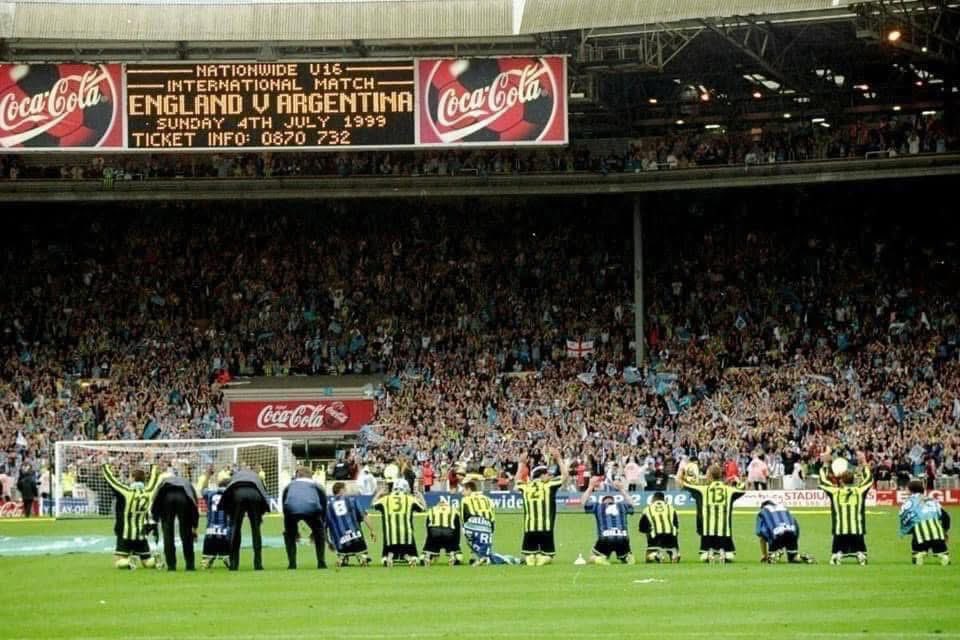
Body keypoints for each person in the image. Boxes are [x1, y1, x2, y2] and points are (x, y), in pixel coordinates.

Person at [681, 463, 745, 563]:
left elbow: (684, 485)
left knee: (703, 557)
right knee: (730, 556)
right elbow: (742, 488)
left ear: (710, 476)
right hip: (725, 532)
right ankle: (723, 551)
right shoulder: (729, 490)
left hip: (707, 532)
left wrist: (682, 474)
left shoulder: (703, 489)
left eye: (707, 474)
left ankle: (710, 552)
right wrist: (737, 480)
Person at [102, 462, 160, 569]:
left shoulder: (126, 492)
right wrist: (154, 466)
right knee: (146, 561)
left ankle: (128, 562)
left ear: (133, 478)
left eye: (129, 477)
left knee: (118, 560)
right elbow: (154, 480)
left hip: (125, 533)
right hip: (141, 533)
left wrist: (105, 466)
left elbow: (112, 481)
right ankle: (155, 561)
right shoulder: (148, 492)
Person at [819, 450, 872, 565]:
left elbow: (823, 481)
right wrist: (863, 462)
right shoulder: (859, 491)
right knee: (860, 547)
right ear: (854, 480)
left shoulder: (835, 492)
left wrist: (826, 463)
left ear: (841, 481)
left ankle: (837, 555)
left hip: (839, 530)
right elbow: (869, 479)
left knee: (836, 550)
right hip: (857, 530)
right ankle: (860, 554)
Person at [517, 447, 568, 566]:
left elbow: (517, 481)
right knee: (546, 556)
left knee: (529, 555)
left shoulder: (526, 486)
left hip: (530, 528)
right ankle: (541, 558)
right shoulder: (549, 485)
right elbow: (565, 476)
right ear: (541, 475)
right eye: (547, 473)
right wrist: (559, 458)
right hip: (546, 527)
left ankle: (531, 558)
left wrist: (521, 463)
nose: (550, 476)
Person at [221, 466, 271, 571]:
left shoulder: (235, 476)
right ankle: (258, 564)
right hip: (255, 494)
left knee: (236, 529)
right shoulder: (256, 476)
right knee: (256, 530)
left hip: (238, 494)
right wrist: (260, 516)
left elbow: (227, 490)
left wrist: (230, 514)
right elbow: (263, 493)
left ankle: (234, 564)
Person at [460, 481, 520, 565]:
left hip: (473, 524)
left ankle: (483, 557)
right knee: (484, 547)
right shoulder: (488, 499)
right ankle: (483, 557)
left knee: (471, 541)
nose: (462, 493)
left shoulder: (465, 500)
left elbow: (464, 517)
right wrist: (491, 530)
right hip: (487, 526)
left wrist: (465, 529)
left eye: (463, 490)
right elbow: (492, 515)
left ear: (469, 489)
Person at [151, 473, 200, 571]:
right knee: (186, 532)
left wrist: (155, 519)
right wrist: (194, 526)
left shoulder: (163, 483)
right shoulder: (186, 482)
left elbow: (155, 500)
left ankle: (171, 566)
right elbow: (194, 502)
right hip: (184, 496)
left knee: (167, 533)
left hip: (166, 498)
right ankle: (190, 565)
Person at [580, 477, 636, 564]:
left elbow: (583, 503)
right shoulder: (622, 506)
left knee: (592, 556)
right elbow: (632, 504)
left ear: (603, 501)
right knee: (625, 555)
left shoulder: (598, 506)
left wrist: (590, 486)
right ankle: (627, 557)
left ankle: (599, 559)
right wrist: (622, 489)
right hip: (622, 537)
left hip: (605, 538)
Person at [281, 466, 327, 570]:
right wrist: (319, 528)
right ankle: (321, 562)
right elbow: (324, 506)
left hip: (291, 509)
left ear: (298, 475)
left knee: (289, 535)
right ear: (310, 476)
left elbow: (285, 505)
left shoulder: (289, 485)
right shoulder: (317, 485)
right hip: (312, 509)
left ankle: (292, 564)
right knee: (319, 533)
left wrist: (292, 530)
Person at [372, 478, 426, 567]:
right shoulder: (410, 499)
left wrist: (379, 493)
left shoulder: (386, 499)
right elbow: (423, 508)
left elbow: (373, 504)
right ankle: (409, 558)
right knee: (408, 550)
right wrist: (420, 496)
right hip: (406, 534)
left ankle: (389, 557)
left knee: (390, 549)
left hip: (390, 535)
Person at [898, 480, 951, 566]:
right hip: (937, 532)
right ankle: (943, 556)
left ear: (911, 490)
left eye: (907, 489)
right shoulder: (933, 501)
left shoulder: (908, 502)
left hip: (919, 534)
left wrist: (908, 530)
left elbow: (904, 517)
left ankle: (919, 554)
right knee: (941, 549)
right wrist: (944, 531)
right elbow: (946, 517)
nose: (906, 491)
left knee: (918, 535)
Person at [326, 481, 376, 567]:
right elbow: (364, 516)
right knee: (359, 541)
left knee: (341, 545)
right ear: (341, 490)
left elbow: (323, 526)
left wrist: (328, 542)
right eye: (346, 489)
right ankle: (362, 557)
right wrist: (372, 530)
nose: (347, 491)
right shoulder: (352, 500)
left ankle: (342, 557)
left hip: (340, 541)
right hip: (356, 537)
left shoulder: (328, 505)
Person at [638, 491, 680, 563]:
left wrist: (647, 532)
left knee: (648, 557)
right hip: (671, 535)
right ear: (664, 499)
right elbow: (676, 524)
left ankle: (655, 555)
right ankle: (674, 554)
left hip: (655, 535)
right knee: (672, 536)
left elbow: (642, 527)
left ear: (653, 499)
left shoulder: (647, 509)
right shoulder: (671, 508)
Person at [201, 478, 232, 569]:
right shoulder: (230, 494)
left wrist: (207, 476)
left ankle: (207, 560)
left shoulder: (210, 493)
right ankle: (227, 557)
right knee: (227, 552)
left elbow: (203, 490)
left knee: (208, 552)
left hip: (210, 531)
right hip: (224, 532)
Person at [423, 497, 463, 565]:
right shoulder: (453, 510)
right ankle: (452, 555)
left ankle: (427, 556)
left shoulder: (432, 510)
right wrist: (456, 543)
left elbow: (428, 527)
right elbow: (457, 529)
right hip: (449, 534)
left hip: (434, 533)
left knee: (429, 547)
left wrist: (429, 540)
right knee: (458, 555)